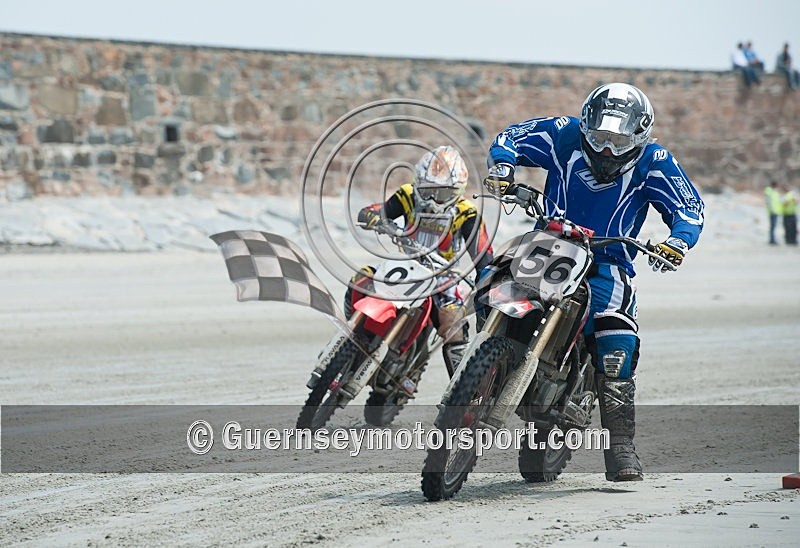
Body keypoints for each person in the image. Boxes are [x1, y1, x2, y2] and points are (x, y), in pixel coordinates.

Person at [485, 83, 704, 482]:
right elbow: (511, 136)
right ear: (586, 126)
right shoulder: (563, 133)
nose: (606, 149)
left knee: (616, 336)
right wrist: (503, 166)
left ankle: (621, 446)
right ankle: (481, 370)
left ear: (638, 136)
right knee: (492, 286)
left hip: (608, 260)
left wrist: (677, 241)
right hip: (549, 246)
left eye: (618, 140)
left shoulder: (655, 161)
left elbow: (688, 207)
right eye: (600, 137)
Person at [346, 145, 494, 376]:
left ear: (458, 190)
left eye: (443, 193)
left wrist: (485, 280)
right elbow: (381, 209)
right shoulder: (407, 195)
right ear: (418, 183)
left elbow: (483, 254)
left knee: (453, 320)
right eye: (428, 190)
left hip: (443, 276)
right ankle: (353, 337)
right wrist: (372, 215)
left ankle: (462, 395)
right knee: (362, 277)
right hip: (404, 264)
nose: (434, 200)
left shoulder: (467, 212)